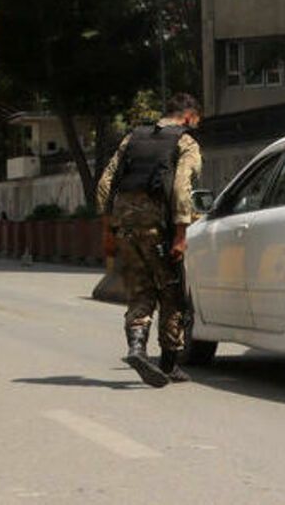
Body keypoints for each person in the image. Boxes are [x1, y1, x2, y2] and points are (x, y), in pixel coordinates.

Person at [95, 92, 202, 388]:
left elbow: (105, 184)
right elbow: (181, 188)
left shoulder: (133, 138)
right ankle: (168, 364)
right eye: (196, 122)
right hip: (160, 229)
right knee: (171, 292)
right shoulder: (186, 142)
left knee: (141, 291)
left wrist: (108, 230)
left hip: (126, 228)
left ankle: (137, 349)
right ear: (189, 117)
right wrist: (181, 234)